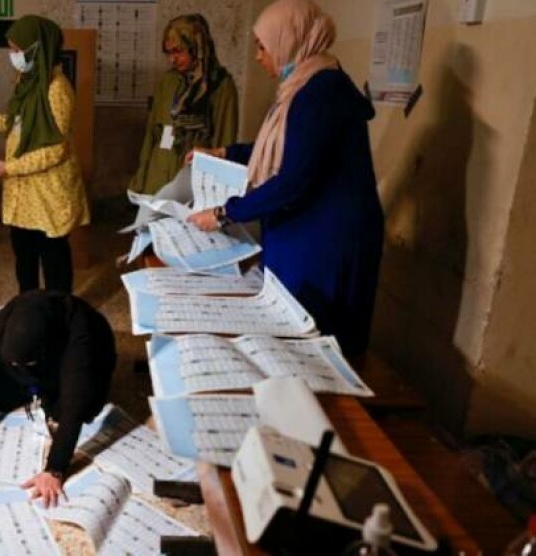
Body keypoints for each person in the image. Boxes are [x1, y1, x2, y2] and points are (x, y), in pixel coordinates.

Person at [187, 0, 384, 357]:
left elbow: (293, 178)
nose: (259, 56)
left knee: (316, 340)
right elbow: (282, 150)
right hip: (310, 229)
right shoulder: (303, 84)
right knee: (292, 334)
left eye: (262, 46)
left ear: (287, 40)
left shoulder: (322, 90)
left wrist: (224, 213)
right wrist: (224, 153)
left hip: (327, 238)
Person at [0, 290, 116, 507]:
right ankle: (32, 381)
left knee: (77, 409)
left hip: (85, 355)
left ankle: (41, 386)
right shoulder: (3, 322)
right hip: (33, 357)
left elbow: (74, 407)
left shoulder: (81, 333)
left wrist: (54, 469)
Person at [0, 15, 89, 294]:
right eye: (11, 49)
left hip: (47, 191)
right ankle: (29, 306)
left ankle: (58, 309)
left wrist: (9, 168)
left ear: (38, 47)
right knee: (24, 253)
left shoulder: (57, 90)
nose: (13, 56)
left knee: (52, 257)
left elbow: (55, 150)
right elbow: (14, 122)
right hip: (23, 191)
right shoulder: (27, 82)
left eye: (17, 49)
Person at [129, 14, 239, 195]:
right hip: (158, 174)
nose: (172, 59)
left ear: (196, 48)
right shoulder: (169, 81)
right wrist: (140, 179)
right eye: (169, 53)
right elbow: (152, 133)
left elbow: (224, 142)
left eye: (178, 51)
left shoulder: (220, 86)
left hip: (191, 178)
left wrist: (216, 194)